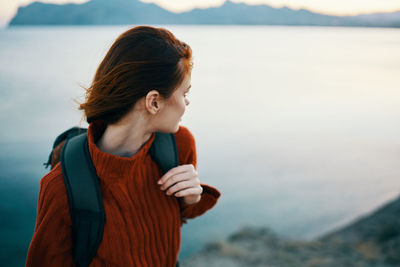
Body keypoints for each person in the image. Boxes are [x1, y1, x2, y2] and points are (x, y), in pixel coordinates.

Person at [26, 25, 221, 267]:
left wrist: (192, 197)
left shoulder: (179, 144)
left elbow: (178, 217)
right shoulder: (60, 187)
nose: (187, 103)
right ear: (154, 102)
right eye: (184, 93)